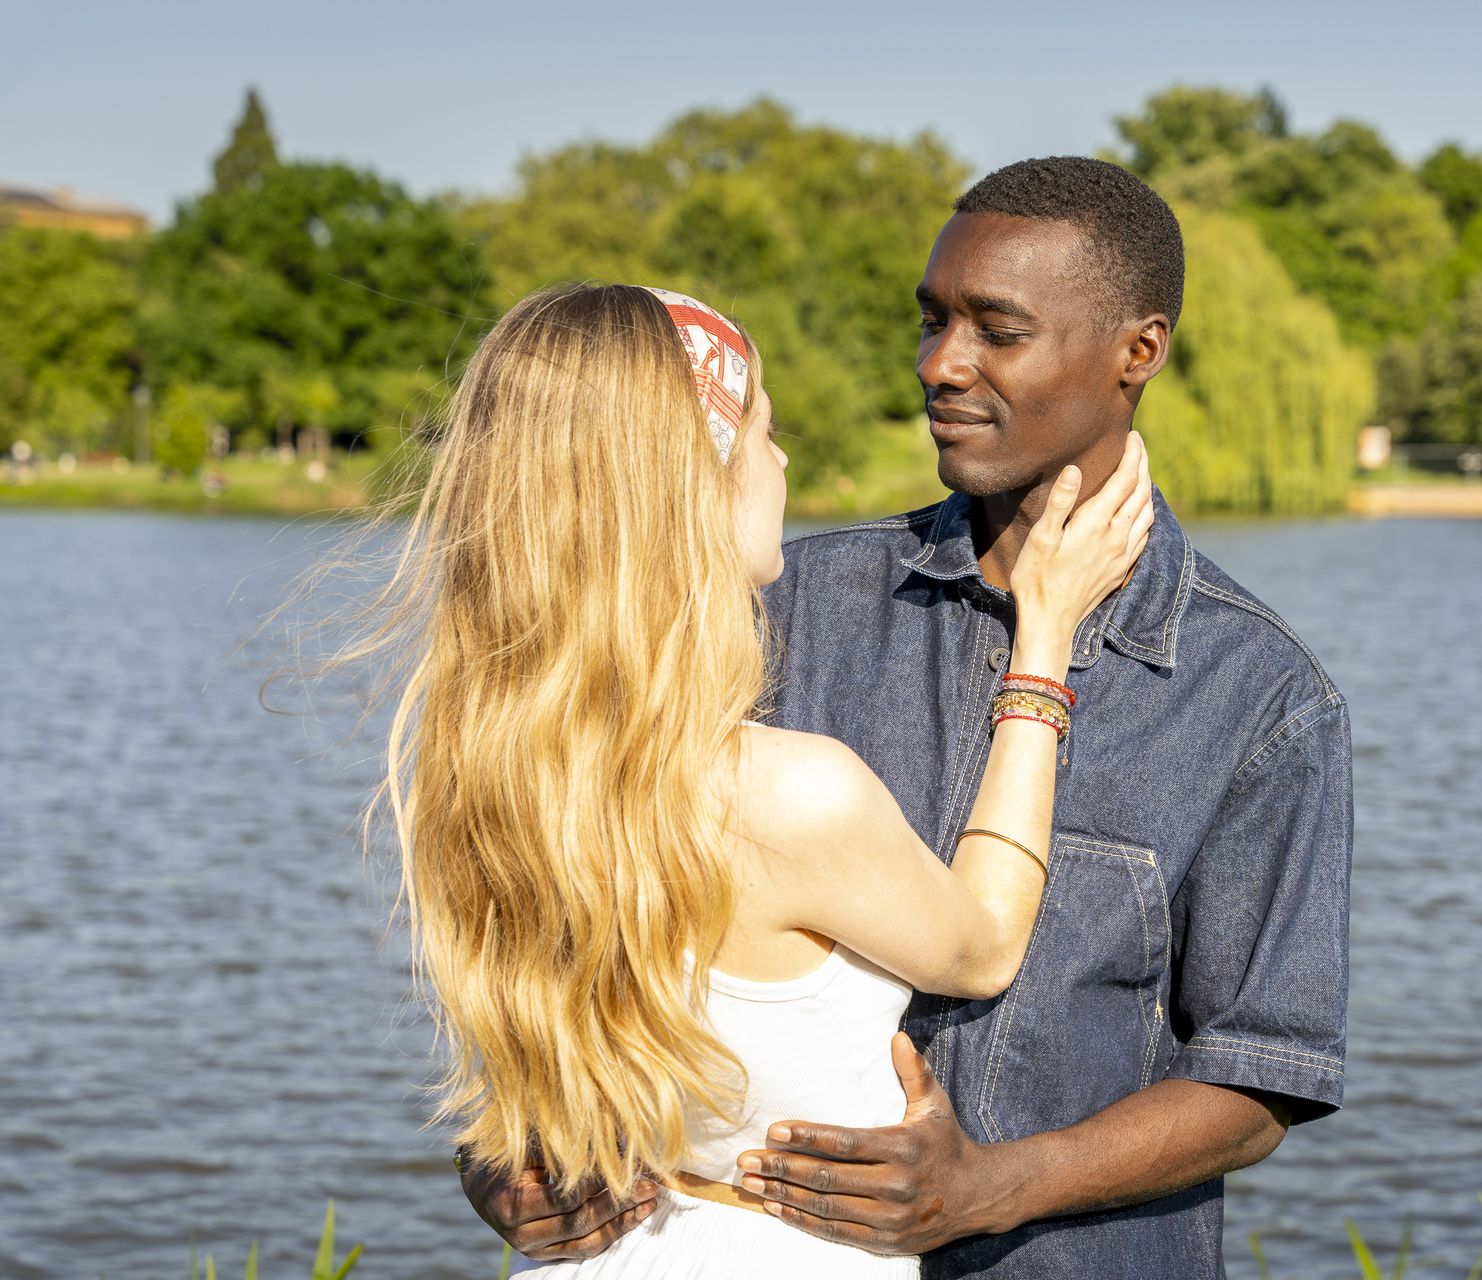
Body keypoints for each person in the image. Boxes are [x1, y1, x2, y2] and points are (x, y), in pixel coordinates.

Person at [467, 157, 1354, 1278]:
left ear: (1139, 350)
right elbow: (571, 897)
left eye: (999, 329)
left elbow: (1260, 1077)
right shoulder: (772, 608)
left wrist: (988, 1189)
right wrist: (508, 1148)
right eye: (932, 320)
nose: (942, 364)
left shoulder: (1259, 692)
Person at [352, 280, 1156, 1277]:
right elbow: (984, 943)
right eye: (762, 431)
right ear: (695, 484)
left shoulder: (485, 764)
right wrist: (1044, 639)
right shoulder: (787, 794)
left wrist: (492, 1162)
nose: (781, 460)